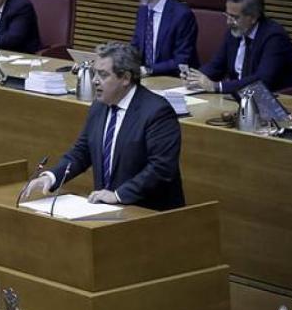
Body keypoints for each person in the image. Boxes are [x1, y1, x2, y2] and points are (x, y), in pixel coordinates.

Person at [25, 42, 185, 211]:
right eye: (95, 73)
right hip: (107, 211)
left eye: (103, 75)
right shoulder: (99, 106)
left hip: (150, 213)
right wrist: (51, 177)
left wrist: (118, 195)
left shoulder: (157, 112)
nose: (95, 81)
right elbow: (82, 151)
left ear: (125, 78)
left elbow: (161, 168)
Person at [188, 0, 292, 94]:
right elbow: (216, 65)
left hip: (276, 102)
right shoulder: (235, 32)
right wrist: (195, 77)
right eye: (227, 15)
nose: (228, 22)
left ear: (254, 18)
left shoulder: (274, 38)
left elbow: (262, 80)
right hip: (240, 99)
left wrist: (218, 86)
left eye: (235, 17)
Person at [126, 0, 198, 77]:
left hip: (174, 81)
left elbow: (181, 61)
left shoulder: (182, 15)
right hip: (146, 80)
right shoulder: (143, 10)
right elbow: (136, 47)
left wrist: (148, 70)